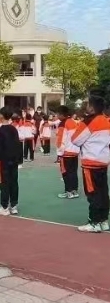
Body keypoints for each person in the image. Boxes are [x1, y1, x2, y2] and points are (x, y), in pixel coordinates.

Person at [71, 95, 110, 233]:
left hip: (90, 163)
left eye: (88, 104)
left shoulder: (88, 121)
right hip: (103, 161)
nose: (86, 106)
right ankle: (103, 220)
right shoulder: (106, 120)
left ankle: (94, 222)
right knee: (103, 192)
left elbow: (75, 139)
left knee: (93, 193)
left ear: (92, 108)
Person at [0, 107, 20, 215]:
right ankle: (14, 205)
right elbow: (18, 145)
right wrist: (18, 159)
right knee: (14, 182)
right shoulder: (14, 129)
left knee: (3, 183)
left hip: (3, 161)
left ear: (2, 115)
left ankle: (4, 207)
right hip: (13, 160)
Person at [56, 105, 80, 199]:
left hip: (66, 152)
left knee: (65, 172)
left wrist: (59, 153)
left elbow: (60, 139)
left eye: (58, 114)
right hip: (75, 151)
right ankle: (74, 191)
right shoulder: (73, 122)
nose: (57, 116)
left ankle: (68, 191)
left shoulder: (63, 124)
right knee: (73, 172)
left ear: (62, 114)